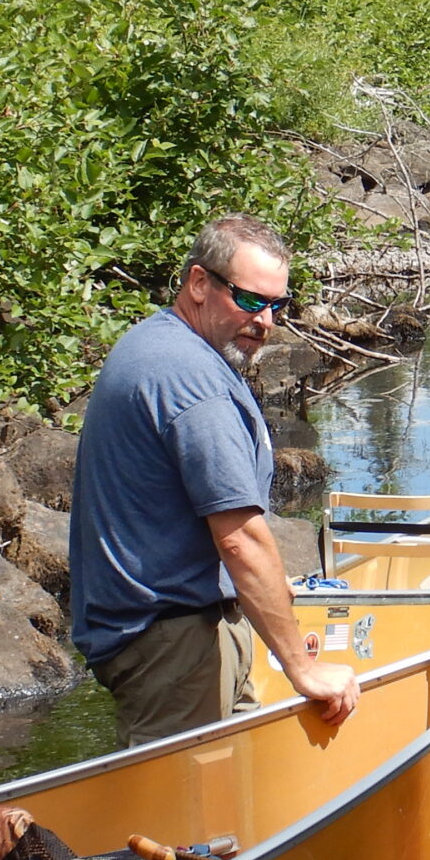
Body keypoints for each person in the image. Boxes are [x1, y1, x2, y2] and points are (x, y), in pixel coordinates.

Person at [70, 214, 362, 746]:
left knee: (235, 808)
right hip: (171, 643)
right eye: (250, 300)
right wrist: (302, 668)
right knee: (182, 823)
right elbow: (239, 536)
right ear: (199, 283)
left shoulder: (164, 343)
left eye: (278, 304)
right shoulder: (190, 381)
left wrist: (267, 594)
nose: (266, 320)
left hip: (180, 631)